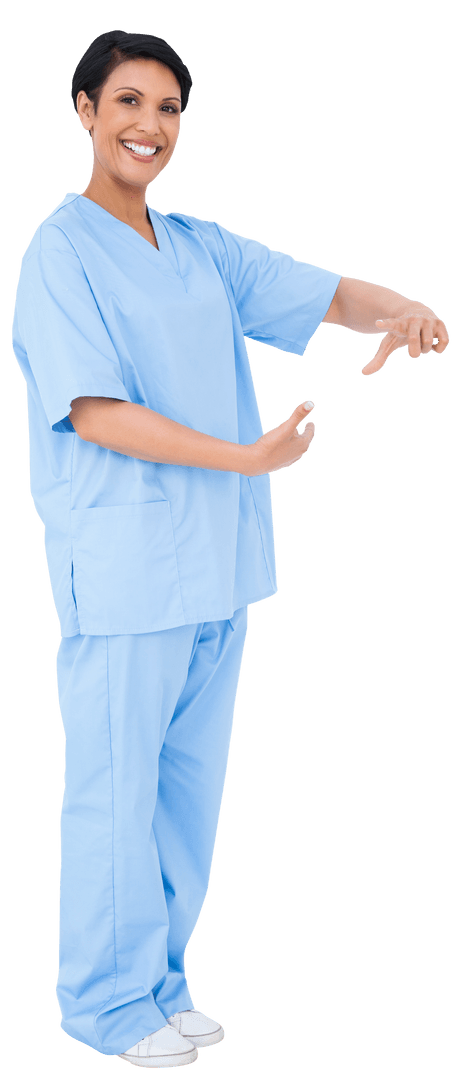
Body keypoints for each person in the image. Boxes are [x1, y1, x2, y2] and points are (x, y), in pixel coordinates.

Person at [10, 27, 450, 1071]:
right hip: (126, 573)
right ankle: (104, 1007)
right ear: (84, 111)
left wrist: (401, 308)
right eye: (126, 102)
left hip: (215, 569)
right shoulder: (59, 253)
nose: (147, 126)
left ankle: (161, 985)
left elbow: (314, 292)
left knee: (182, 796)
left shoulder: (198, 244)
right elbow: (95, 410)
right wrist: (239, 460)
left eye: (166, 109)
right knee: (114, 797)